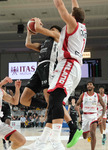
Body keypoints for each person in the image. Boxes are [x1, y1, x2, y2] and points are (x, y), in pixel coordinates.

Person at [21, 17, 80, 149]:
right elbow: (28, 44)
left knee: (53, 101)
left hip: (50, 66)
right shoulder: (44, 44)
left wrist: (36, 23)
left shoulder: (58, 36)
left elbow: (42, 30)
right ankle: (48, 106)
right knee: (24, 99)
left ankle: (71, 125)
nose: (51, 31)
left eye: (52, 29)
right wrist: (29, 32)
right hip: (39, 69)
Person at [45, 0, 87, 149]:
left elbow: (59, 6)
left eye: (71, 14)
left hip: (68, 64)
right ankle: (47, 139)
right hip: (72, 67)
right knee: (54, 100)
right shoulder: (81, 26)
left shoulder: (72, 24)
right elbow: (75, 8)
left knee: (55, 98)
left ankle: (56, 140)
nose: (68, 14)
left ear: (73, 17)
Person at [76, 81, 106, 150]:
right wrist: (76, 107)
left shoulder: (97, 95)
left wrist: (101, 116)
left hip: (94, 116)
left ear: (93, 87)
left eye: (91, 84)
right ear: (87, 87)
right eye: (88, 84)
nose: (89, 85)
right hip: (85, 116)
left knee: (93, 133)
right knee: (84, 137)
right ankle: (88, 133)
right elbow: (77, 104)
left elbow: (104, 106)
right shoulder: (83, 95)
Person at [1, 86, 12, 150]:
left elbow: (12, 101)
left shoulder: (9, 92)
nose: (3, 88)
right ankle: (4, 143)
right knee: (3, 129)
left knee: (7, 126)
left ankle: (9, 142)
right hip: (0, 111)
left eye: (4, 87)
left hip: (7, 110)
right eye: (2, 87)